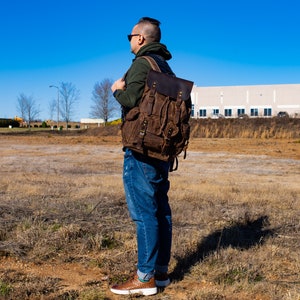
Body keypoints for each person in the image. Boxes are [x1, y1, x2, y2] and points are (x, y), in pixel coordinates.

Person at [110, 17, 174, 296]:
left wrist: (117, 91)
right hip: (162, 149)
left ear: (141, 38)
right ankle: (160, 272)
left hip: (141, 149)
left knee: (144, 213)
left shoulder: (142, 64)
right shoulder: (166, 68)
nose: (129, 40)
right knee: (161, 210)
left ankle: (144, 277)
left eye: (130, 36)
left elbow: (130, 100)